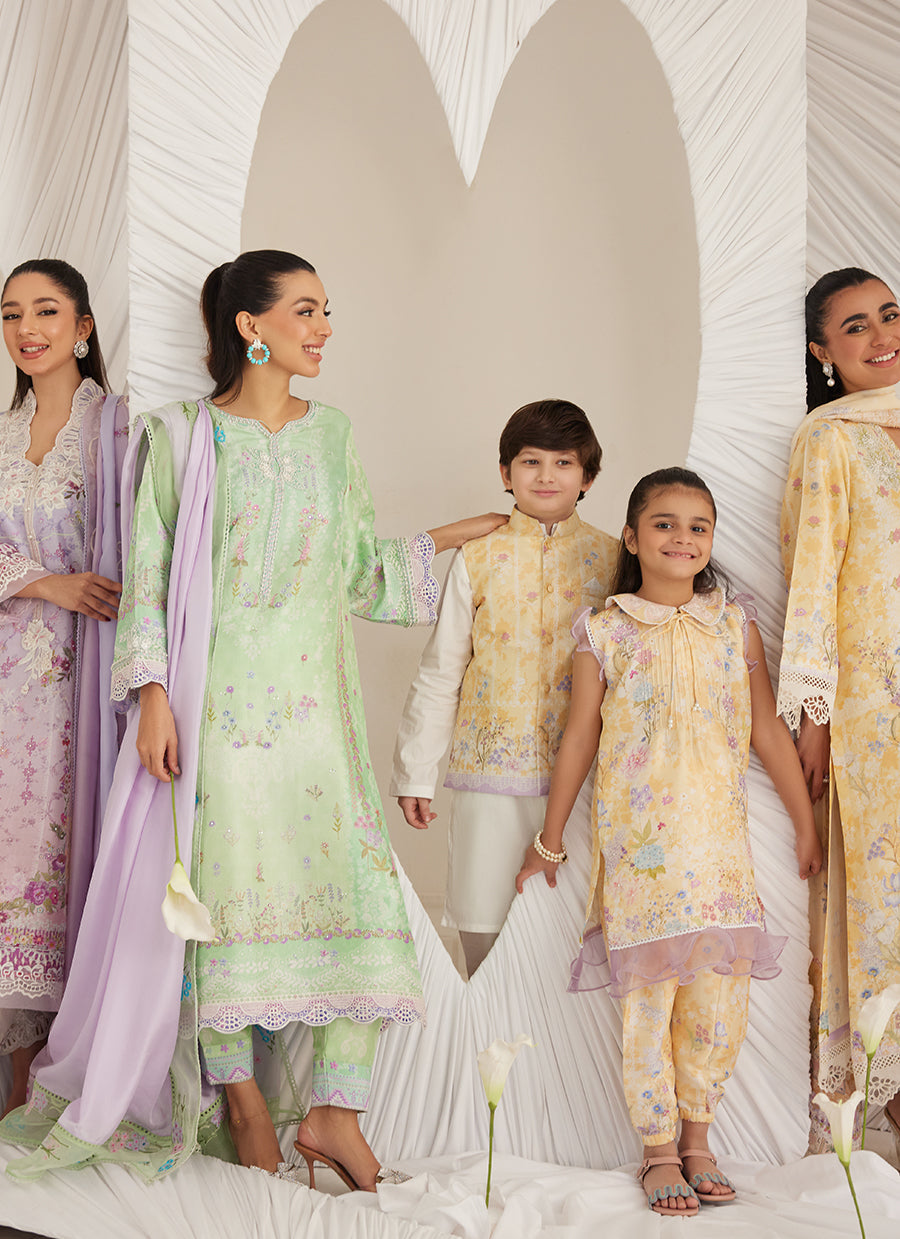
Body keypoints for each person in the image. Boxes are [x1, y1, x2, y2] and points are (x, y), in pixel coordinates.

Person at [2, 250, 504, 1189]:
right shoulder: (180, 435)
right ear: (251, 325)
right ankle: (243, 1108)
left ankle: (335, 1114)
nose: (323, 328)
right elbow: (149, 577)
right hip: (219, 713)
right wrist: (154, 695)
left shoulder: (333, 434)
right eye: (306, 310)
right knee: (223, 913)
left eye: (325, 310)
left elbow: (359, 572)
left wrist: (451, 539)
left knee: (362, 899)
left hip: (319, 717)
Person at [517, 467, 821, 1216]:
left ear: (711, 541)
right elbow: (579, 738)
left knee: (717, 1002)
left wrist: (805, 823)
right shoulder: (605, 631)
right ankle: (656, 1148)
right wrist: (549, 840)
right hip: (643, 857)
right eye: (664, 523)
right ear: (631, 537)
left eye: (697, 526)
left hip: (718, 855)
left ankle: (698, 1139)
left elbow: (766, 730)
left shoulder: (732, 625)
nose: (682, 538)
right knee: (649, 1006)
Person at [391, 400, 617, 976]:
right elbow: (441, 670)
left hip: (587, 780)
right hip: (489, 776)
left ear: (588, 477)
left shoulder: (615, 559)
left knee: (574, 935)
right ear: (505, 472)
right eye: (531, 461)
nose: (546, 476)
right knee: (484, 929)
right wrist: (417, 771)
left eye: (563, 463)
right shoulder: (479, 557)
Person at [778, 267, 900, 1155]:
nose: (881, 336)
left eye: (890, 315)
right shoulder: (829, 439)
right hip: (876, 702)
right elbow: (812, 575)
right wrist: (814, 714)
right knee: (884, 893)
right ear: (824, 352)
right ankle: (890, 1088)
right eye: (855, 326)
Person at [0, 259, 125, 1118]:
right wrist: (46, 583)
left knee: (74, 848)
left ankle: (68, 1083)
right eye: (12, 314)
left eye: (46, 311)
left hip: (89, 680)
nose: (27, 329)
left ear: (82, 326)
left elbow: (143, 545)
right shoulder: (2, 434)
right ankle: (18, 1084)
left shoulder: (117, 428)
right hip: (11, 682)